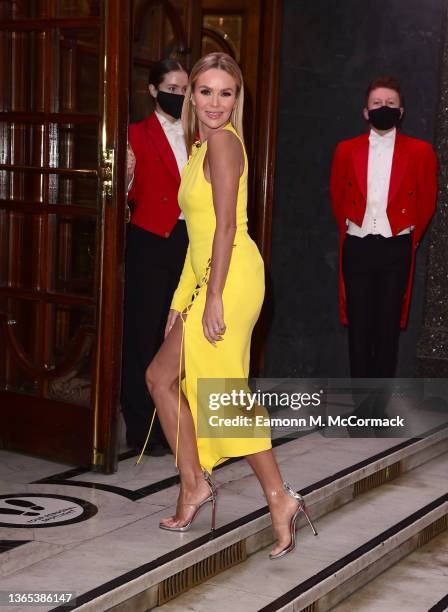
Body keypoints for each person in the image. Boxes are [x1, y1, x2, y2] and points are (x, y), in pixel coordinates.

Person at [144, 52, 318, 559]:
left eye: (226, 93)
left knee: (223, 397)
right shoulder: (199, 147)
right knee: (160, 378)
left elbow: (224, 227)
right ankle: (195, 482)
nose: (215, 103)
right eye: (206, 92)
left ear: (236, 99)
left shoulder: (222, 143)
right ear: (191, 96)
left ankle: (278, 497)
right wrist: (182, 301)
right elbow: (194, 237)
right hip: (210, 277)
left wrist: (214, 294)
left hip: (232, 277)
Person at [330, 76, 437, 380]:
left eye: (390, 103)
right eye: (377, 103)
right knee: (359, 329)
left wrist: (407, 238)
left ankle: (380, 409)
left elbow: (427, 201)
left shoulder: (420, 152)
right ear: (365, 111)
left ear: (401, 112)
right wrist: (355, 228)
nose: (383, 108)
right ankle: (360, 409)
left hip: (396, 248)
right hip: (358, 246)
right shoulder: (346, 150)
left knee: (388, 330)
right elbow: (338, 196)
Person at [121, 59, 189, 456]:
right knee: (144, 333)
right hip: (150, 240)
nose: (177, 95)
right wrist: (126, 174)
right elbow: (122, 191)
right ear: (152, 90)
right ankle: (142, 426)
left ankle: (177, 421)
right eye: (171, 87)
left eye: (183, 89)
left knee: (180, 335)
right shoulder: (133, 134)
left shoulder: (200, 134)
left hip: (190, 240)